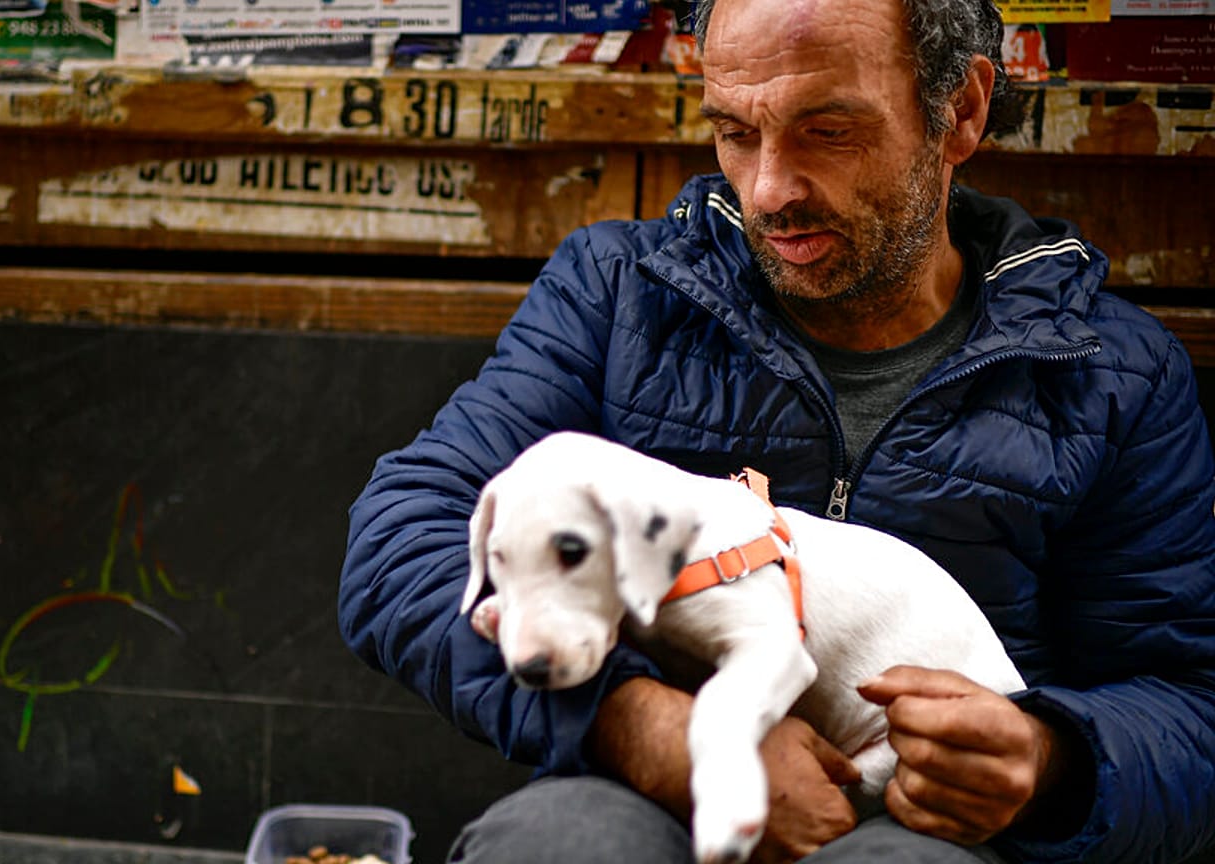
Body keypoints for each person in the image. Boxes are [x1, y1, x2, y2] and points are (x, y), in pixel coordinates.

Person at [338, 0, 1215, 860]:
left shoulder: (1108, 373)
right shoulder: (620, 295)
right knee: (558, 842)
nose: (769, 189)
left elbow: (1191, 704)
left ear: (960, 113)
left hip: (937, 829)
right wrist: (646, 728)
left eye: (828, 131)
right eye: (735, 131)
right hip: (638, 793)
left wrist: (1052, 760)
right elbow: (404, 536)